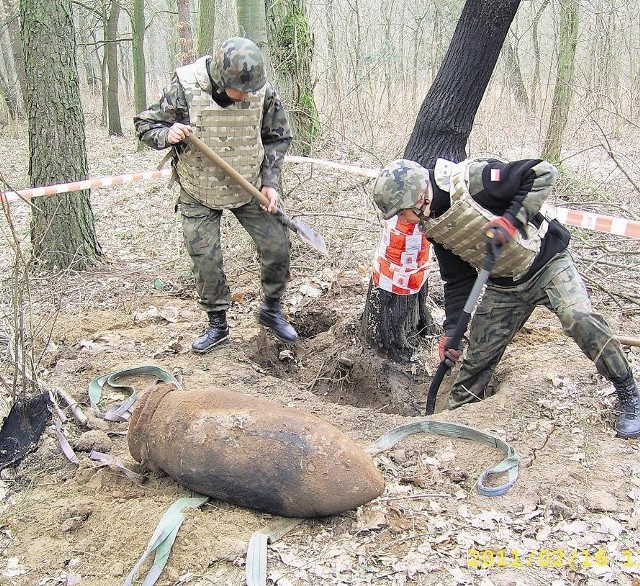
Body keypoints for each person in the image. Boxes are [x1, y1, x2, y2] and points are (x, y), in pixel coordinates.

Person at [371, 157, 640, 439]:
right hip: (503, 286)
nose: (402, 220)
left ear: (416, 197)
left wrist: (511, 221)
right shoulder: (434, 225)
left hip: (547, 263)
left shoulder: (475, 180)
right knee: (475, 364)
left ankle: (628, 391)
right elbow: (457, 278)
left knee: (579, 318)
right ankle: (453, 427)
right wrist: (452, 331)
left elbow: (542, 173)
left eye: (402, 213)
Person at [134, 37, 297, 353]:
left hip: (248, 184)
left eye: (251, 91)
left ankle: (271, 310)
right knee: (206, 260)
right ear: (222, 80)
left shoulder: (260, 89)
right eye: (241, 91)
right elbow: (145, 124)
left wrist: (270, 182)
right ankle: (218, 324)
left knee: (277, 245)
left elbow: (278, 137)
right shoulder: (185, 86)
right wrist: (166, 134)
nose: (247, 96)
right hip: (199, 187)